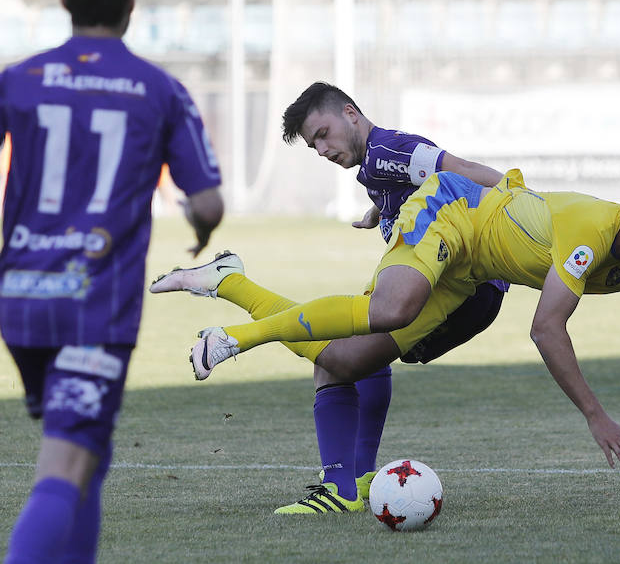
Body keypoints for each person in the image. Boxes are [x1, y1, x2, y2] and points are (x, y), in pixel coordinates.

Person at [171, 169, 620, 478]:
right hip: (452, 211)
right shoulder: (591, 232)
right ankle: (235, 340)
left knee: (345, 361)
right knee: (390, 309)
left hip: (473, 270)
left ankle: (229, 281)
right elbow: (545, 328)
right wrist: (596, 414)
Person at [151, 82, 508, 514]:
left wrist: (525, 206)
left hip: (458, 290)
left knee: (333, 362)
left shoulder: (388, 152)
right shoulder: (377, 164)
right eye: (312, 144)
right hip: (457, 288)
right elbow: (427, 184)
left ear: (350, 113)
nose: (321, 149)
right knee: (363, 360)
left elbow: (462, 171)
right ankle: (357, 476)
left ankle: (339, 487)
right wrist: (383, 209)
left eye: (323, 134)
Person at [0, 0, 224, 562]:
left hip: (21, 300)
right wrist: (200, 233)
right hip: (94, 306)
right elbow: (207, 203)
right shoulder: (160, 90)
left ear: (64, 0)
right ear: (131, 4)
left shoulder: (19, 79)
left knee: (89, 450)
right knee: (67, 458)